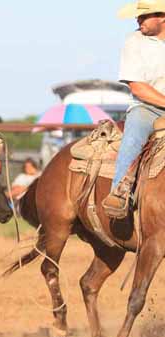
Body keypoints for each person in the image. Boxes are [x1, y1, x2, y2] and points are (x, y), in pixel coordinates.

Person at [102, 2, 165, 218]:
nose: (137, 20)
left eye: (143, 16)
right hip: (148, 108)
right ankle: (120, 191)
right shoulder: (134, 41)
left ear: (162, 17)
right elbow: (138, 87)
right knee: (134, 134)